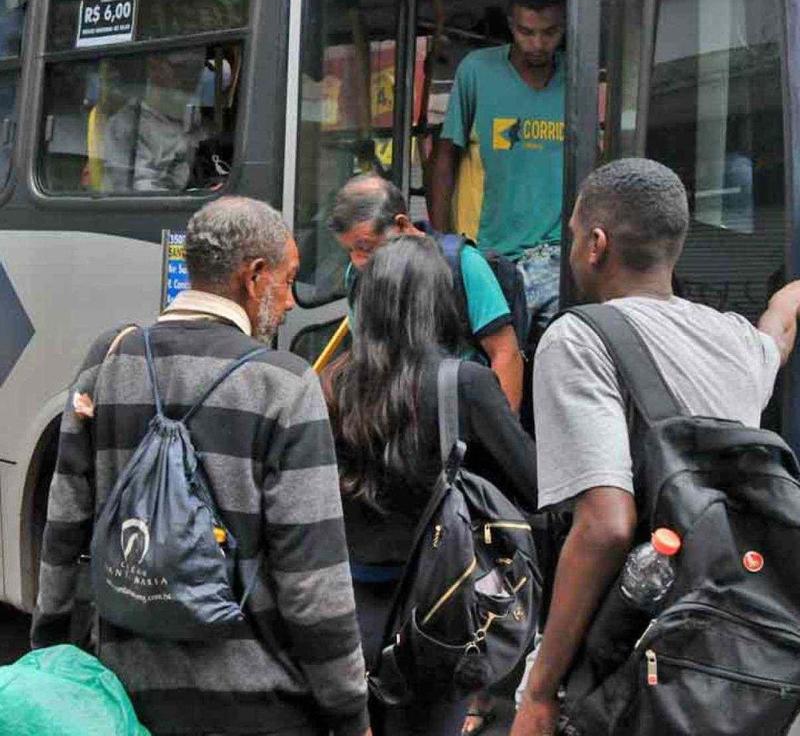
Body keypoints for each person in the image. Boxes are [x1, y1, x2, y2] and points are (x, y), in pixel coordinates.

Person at [31, 196, 371, 736]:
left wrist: (49, 652)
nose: (289, 302)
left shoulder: (111, 359)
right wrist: (350, 711)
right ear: (254, 277)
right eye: (288, 281)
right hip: (258, 708)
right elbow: (312, 582)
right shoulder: (285, 385)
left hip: (126, 699)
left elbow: (64, 523)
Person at [510, 158, 800, 736]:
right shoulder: (736, 341)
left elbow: (606, 525)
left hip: (625, 654)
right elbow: (779, 329)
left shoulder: (578, 339)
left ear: (597, 245)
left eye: (575, 234)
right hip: (721, 663)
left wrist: (540, 691)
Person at [327, 235, 538, 736]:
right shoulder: (463, 383)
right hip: (435, 610)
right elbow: (533, 485)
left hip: (344, 605)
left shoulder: (332, 383)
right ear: (437, 305)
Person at [430, 0, 566, 334]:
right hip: (486, 255)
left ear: (565, 27)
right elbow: (444, 158)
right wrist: (441, 246)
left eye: (550, 33)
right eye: (526, 32)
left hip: (556, 255)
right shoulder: (477, 71)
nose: (537, 44)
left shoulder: (575, 75)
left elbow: (593, 165)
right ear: (510, 25)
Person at [330, 173, 524, 412]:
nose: (358, 261)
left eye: (366, 247)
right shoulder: (357, 275)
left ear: (402, 225)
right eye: (349, 251)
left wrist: (499, 426)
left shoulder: (462, 264)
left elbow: (505, 353)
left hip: (460, 409)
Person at [103, 49, 207, 192]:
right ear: (154, 68)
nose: (190, 78)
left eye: (196, 70)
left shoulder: (191, 117)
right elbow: (138, 190)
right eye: (181, 68)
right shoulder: (128, 124)